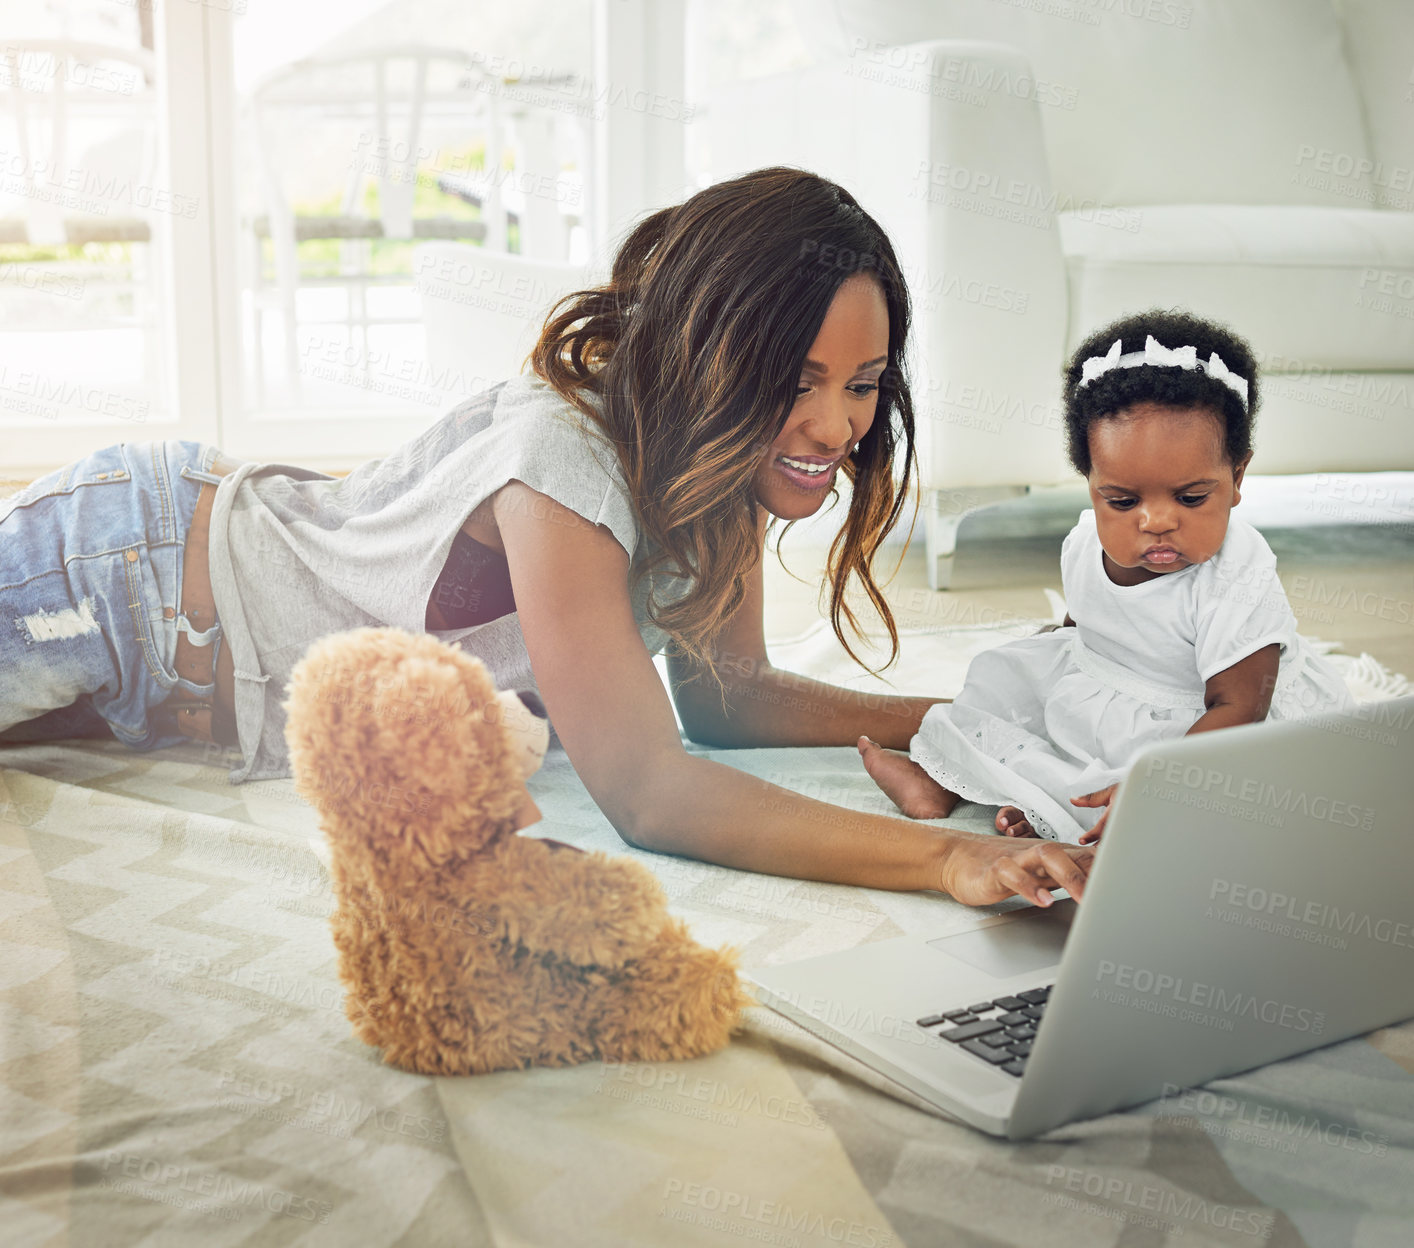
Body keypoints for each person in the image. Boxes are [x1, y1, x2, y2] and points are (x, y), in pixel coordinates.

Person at [0, 167, 1094, 908]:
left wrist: (978, 721)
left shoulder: (717, 465)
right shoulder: (560, 462)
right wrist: (950, 857)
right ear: (713, 357)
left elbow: (731, 696)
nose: (834, 427)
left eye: (860, 385)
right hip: (119, 575)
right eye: (794, 382)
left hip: (165, 687)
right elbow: (649, 787)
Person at [859, 309, 1352, 846]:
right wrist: (1054, 653)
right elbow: (1087, 617)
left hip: (1203, 730)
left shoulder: (1237, 572)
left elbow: (1241, 708)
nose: (1157, 521)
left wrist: (1157, 781)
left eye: (1191, 498)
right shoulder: (1084, 541)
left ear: (1237, 478)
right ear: (1091, 484)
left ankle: (1050, 803)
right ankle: (944, 781)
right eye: (1122, 500)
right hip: (1110, 693)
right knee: (1000, 687)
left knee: (1189, 817)